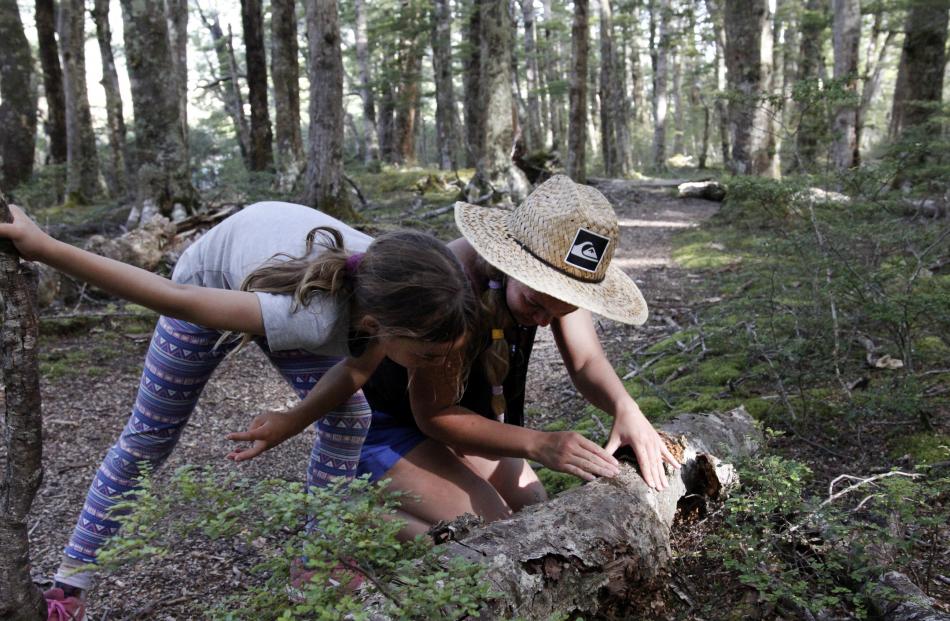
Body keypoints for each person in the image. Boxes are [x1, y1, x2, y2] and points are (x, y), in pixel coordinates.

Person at [0, 201, 476, 617]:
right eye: (429, 355)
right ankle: (69, 586)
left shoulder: (391, 288)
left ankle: (317, 561)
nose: (436, 365)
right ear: (378, 324)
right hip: (208, 279)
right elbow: (175, 298)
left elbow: (353, 371)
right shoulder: (314, 316)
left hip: (281, 276)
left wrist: (291, 421)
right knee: (149, 438)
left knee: (351, 415)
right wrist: (45, 247)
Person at [231, 176, 681, 537]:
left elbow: (585, 364)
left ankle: (428, 499)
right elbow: (435, 417)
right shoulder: (452, 293)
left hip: (463, 421)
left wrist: (627, 408)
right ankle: (349, 515)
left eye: (562, 307)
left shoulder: (554, 280)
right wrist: (539, 443)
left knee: (534, 508)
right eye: (539, 304)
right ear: (514, 260)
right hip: (388, 424)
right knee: (495, 529)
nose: (547, 320)